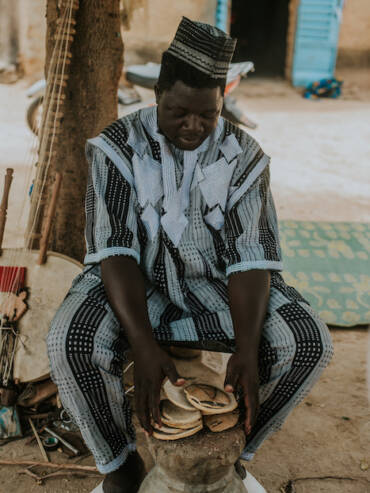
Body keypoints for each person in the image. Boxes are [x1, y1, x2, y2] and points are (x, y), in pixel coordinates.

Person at [47, 17, 333, 493]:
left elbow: (251, 256)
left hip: (219, 290)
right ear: (157, 92)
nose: (194, 126)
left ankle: (228, 455)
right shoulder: (117, 148)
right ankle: (120, 468)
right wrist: (143, 343)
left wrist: (245, 348)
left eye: (208, 114)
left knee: (307, 345)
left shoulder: (244, 155)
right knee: (69, 342)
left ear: (222, 103)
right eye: (179, 111)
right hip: (133, 286)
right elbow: (114, 250)